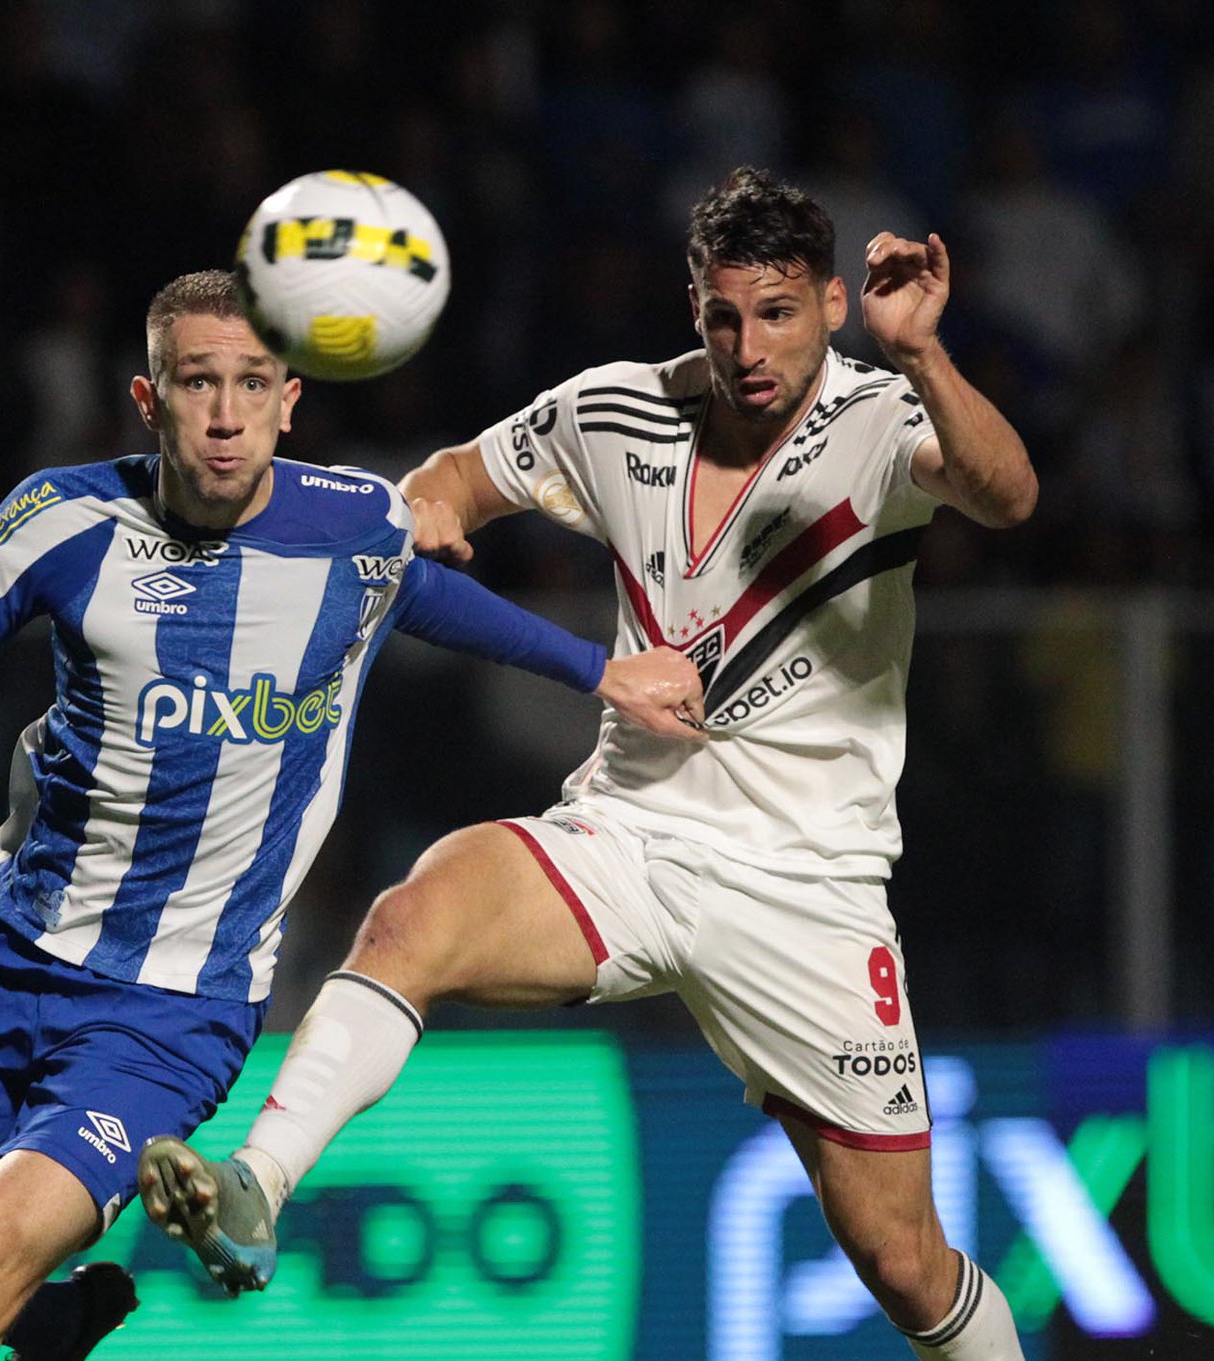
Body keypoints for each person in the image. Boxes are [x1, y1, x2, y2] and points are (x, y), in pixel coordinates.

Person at [0, 270, 704, 1361]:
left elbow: (428, 593)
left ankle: (18, 1297)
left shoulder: (356, 526)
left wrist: (599, 668)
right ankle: (52, 1320)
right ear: (148, 400)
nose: (225, 412)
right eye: (196, 381)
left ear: (289, 397)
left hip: (169, 1011)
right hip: (5, 960)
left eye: (251, 382)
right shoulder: (59, 520)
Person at [138, 167, 1040, 1361]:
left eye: (776, 312)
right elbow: (457, 473)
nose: (747, 345)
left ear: (831, 305)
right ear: (691, 307)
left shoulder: (877, 424)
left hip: (806, 888)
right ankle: (254, 1184)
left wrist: (922, 355)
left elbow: (1007, 492)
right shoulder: (617, 413)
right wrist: (425, 508)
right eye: (722, 315)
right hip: (627, 837)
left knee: (901, 1259)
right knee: (412, 917)